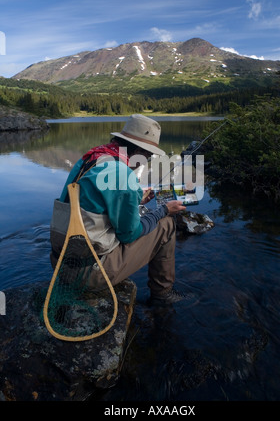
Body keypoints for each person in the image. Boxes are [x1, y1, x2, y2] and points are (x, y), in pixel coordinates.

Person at [50, 114, 187, 304]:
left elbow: (92, 202)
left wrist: (136, 197)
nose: (147, 160)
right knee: (167, 224)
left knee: (146, 216)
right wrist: (163, 211)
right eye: (148, 155)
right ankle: (162, 293)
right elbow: (130, 235)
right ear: (138, 150)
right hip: (89, 273)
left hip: (60, 263)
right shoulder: (122, 174)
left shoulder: (91, 157)